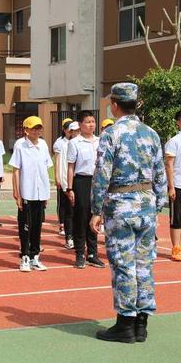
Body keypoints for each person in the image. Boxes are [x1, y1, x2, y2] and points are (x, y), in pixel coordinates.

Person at [91, 83, 167, 343]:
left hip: (120, 206)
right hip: (146, 206)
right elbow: (160, 176)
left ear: (114, 104)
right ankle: (141, 324)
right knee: (144, 265)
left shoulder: (112, 134)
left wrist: (95, 210)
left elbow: (101, 174)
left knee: (123, 264)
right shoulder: (152, 134)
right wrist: (156, 207)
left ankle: (125, 323)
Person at [10, 116, 52, 272]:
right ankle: (25, 256)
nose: (37, 131)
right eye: (34, 128)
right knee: (25, 226)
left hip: (41, 192)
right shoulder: (20, 145)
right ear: (26, 130)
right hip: (27, 192)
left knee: (37, 226)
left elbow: (46, 169)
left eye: (39, 128)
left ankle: (35, 257)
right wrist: (17, 193)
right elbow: (16, 170)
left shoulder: (43, 144)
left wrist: (47, 193)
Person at [66, 111, 105, 269]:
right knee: (81, 217)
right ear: (80, 125)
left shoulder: (100, 141)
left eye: (93, 122)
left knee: (95, 216)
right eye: (87, 122)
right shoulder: (75, 142)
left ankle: (92, 254)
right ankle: (80, 253)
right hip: (81, 181)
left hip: (97, 181)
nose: (91, 125)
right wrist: (70, 188)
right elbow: (70, 167)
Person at [54, 121, 77, 250]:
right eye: (72, 130)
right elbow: (60, 163)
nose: (74, 132)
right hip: (67, 182)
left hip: (80, 182)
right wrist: (60, 179)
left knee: (79, 211)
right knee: (68, 209)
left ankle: (77, 236)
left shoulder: (83, 144)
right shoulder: (62, 145)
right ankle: (69, 236)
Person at [165, 109, 181, 261]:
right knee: (176, 218)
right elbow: (169, 165)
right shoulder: (174, 141)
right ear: (178, 122)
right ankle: (176, 248)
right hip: (178, 185)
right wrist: (171, 186)